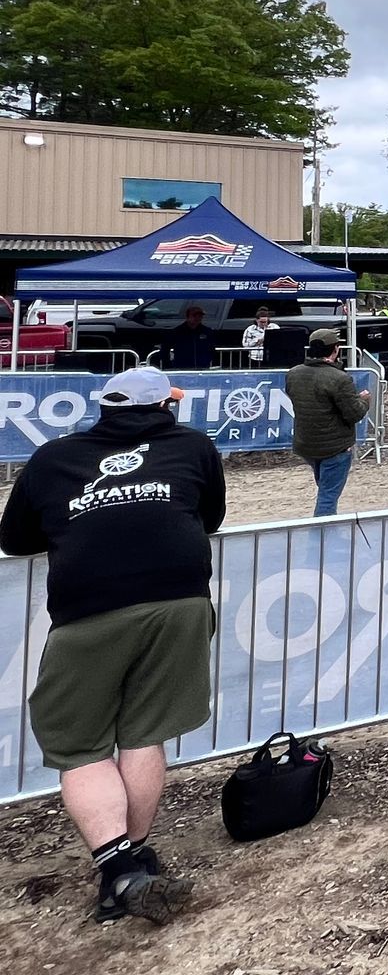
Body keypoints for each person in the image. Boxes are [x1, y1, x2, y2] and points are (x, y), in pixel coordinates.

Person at [0, 364, 222, 924]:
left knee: (81, 747)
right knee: (142, 733)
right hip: (180, 598)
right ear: (162, 408)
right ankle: (131, 867)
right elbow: (210, 516)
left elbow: (16, 536)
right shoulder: (193, 446)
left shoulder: (53, 458)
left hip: (88, 607)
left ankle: (120, 868)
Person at [286, 330, 370, 517]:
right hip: (335, 447)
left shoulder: (294, 373)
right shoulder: (338, 378)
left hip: (306, 443)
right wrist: (364, 399)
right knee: (328, 496)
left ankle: (324, 535)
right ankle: (321, 539)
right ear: (336, 350)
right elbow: (354, 414)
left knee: (325, 487)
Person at [160, 306, 216, 371]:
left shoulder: (207, 332)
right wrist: (168, 366)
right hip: (182, 369)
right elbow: (165, 349)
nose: (197, 318)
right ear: (187, 317)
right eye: (194, 316)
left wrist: (208, 360)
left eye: (200, 316)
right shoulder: (177, 332)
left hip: (202, 368)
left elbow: (212, 349)